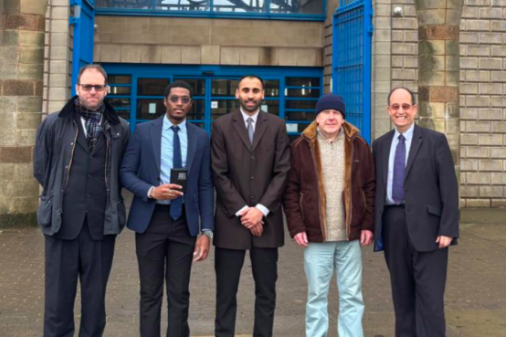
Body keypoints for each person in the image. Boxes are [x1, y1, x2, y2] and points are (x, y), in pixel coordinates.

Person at [33, 64, 130, 337]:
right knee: (57, 299)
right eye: (87, 86)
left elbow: (122, 172)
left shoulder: (120, 128)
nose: (92, 91)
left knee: (95, 301)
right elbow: (41, 168)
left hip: (101, 226)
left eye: (98, 87)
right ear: (77, 89)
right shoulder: (54, 123)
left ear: (106, 90)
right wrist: (56, 196)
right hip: (61, 223)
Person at [120, 80, 214, 337]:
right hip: (150, 221)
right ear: (165, 102)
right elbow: (126, 173)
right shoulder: (143, 131)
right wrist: (151, 191)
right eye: (175, 98)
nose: (180, 103)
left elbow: (205, 185)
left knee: (179, 292)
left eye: (185, 99)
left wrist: (206, 231)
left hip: (184, 222)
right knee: (149, 292)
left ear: (190, 104)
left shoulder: (201, 136)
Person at [283, 93, 375, 337]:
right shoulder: (300, 147)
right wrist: (296, 226)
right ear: (317, 117)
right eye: (326, 112)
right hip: (316, 236)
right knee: (316, 296)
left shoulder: (360, 145)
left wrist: (368, 224)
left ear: (343, 118)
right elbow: (290, 191)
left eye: (337, 113)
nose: (331, 117)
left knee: (352, 295)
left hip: (350, 235)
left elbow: (370, 187)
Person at [372, 87, 459, 337]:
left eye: (405, 106)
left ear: (414, 109)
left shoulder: (435, 141)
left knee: (430, 299)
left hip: (430, 230)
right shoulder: (380, 145)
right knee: (402, 297)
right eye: (395, 107)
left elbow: (449, 188)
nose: (401, 111)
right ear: (388, 110)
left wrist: (448, 228)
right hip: (393, 225)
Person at [211, 75, 291, 337]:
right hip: (231, 221)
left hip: (267, 223)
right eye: (245, 90)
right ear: (237, 93)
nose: (250, 95)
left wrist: (261, 210)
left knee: (266, 292)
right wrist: (246, 211)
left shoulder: (277, 126)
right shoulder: (221, 125)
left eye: (255, 90)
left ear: (263, 95)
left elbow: (282, 172)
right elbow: (219, 174)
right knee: (225, 293)